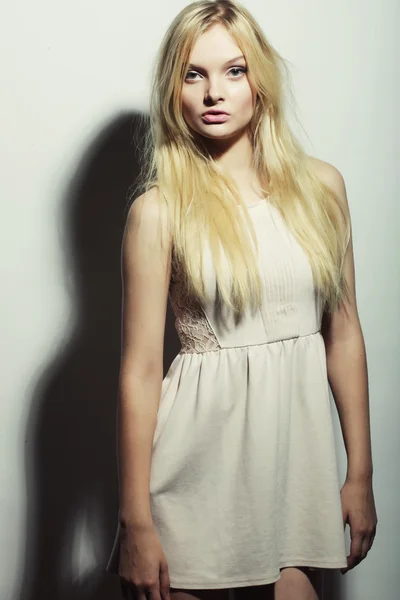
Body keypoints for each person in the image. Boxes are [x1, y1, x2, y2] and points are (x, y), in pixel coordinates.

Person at [105, 1, 378, 599]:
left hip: (292, 471)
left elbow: (345, 335)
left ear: (261, 79)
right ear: (172, 88)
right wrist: (135, 521)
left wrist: (360, 473)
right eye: (193, 73)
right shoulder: (158, 212)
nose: (213, 92)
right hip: (190, 478)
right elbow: (141, 370)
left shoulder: (322, 189)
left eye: (234, 70)